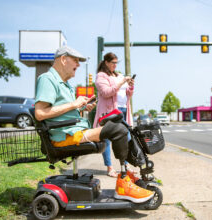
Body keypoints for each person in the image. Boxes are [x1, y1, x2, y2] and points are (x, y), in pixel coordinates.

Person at [34, 45, 153, 203]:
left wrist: (82, 108)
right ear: (63, 59)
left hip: (72, 130)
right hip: (66, 136)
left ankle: (128, 175)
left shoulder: (64, 83)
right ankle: (124, 183)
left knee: (120, 126)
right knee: (118, 130)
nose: (78, 65)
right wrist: (74, 104)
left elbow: (62, 111)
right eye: (75, 61)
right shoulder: (47, 79)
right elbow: (40, 113)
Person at [93, 52, 135, 178]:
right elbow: (106, 92)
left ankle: (125, 165)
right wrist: (121, 82)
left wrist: (131, 87)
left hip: (122, 110)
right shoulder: (101, 76)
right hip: (109, 112)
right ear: (106, 62)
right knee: (106, 139)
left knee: (126, 138)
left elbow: (127, 94)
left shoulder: (118, 75)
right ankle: (110, 167)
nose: (115, 65)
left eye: (117, 63)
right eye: (113, 63)